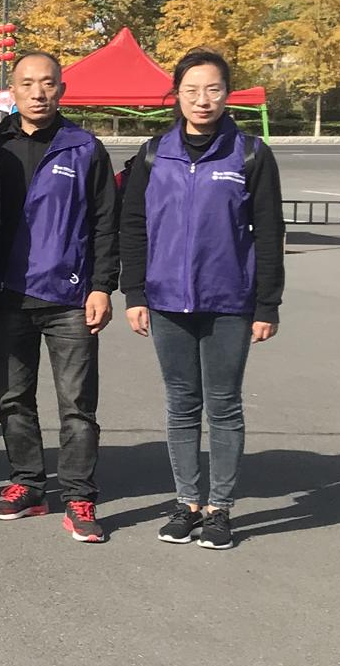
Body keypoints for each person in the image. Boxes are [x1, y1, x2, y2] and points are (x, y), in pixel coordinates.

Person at [120, 49, 284, 551]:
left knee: (224, 405)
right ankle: (187, 503)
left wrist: (267, 304)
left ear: (227, 94)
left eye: (213, 89)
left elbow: (268, 231)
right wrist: (134, 292)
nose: (202, 100)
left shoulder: (250, 153)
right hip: (166, 299)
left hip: (229, 300)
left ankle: (220, 510)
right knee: (181, 404)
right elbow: (134, 226)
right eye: (191, 90)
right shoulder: (154, 153)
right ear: (177, 95)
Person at [0, 52, 119, 544]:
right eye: (27, 83)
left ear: (61, 89)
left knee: (77, 405)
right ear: (12, 90)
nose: (37, 93)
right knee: (12, 399)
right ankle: (27, 484)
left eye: (47, 83)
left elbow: (105, 222)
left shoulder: (84, 148)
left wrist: (102, 285)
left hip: (70, 298)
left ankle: (79, 495)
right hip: (7, 296)